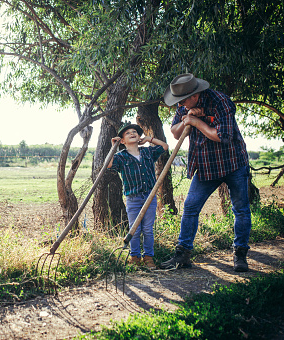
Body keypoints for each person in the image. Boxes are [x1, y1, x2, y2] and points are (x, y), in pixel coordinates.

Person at [159, 73, 252, 272]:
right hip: (206, 164)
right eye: (179, 102)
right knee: (190, 206)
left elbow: (221, 136)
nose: (181, 104)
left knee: (241, 209)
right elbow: (175, 133)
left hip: (233, 161)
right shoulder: (184, 105)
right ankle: (182, 255)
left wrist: (195, 122)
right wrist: (188, 118)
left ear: (195, 94)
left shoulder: (221, 102)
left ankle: (240, 254)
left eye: (183, 101)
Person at [108, 121, 168, 269]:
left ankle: (148, 257)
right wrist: (113, 146)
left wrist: (149, 139)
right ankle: (135, 257)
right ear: (122, 141)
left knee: (147, 229)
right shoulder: (121, 157)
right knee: (134, 230)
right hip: (133, 198)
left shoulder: (147, 152)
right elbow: (108, 164)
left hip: (149, 196)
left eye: (134, 132)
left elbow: (164, 147)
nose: (132, 134)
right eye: (127, 133)